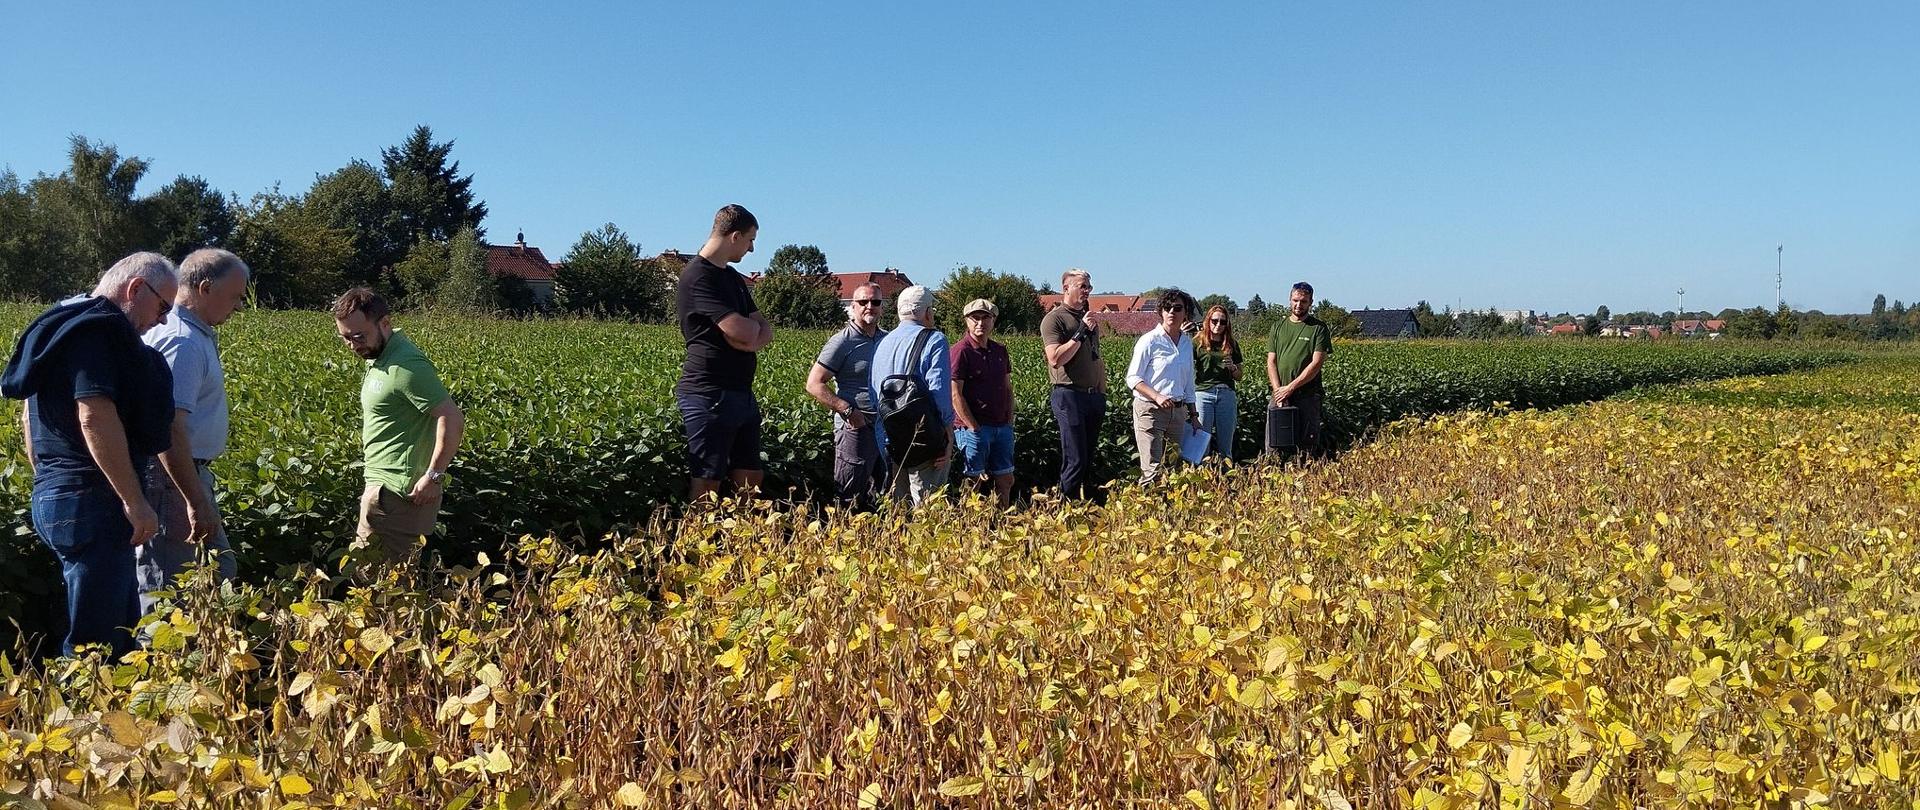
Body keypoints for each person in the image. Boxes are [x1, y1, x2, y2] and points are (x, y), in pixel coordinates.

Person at [3, 252, 178, 657]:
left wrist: (49, 476)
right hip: (92, 498)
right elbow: (94, 415)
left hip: (59, 491)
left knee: (115, 628)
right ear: (136, 289)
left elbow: (29, 415)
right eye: (163, 307)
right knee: (97, 644)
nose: (163, 320)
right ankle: (87, 699)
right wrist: (134, 502)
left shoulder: (60, 327)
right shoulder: (98, 333)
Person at [137, 249, 248, 610]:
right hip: (171, 479)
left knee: (219, 574)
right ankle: (157, 646)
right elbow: (169, 428)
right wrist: (195, 501)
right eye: (234, 296)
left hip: (184, 477)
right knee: (170, 590)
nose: (239, 307)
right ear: (205, 288)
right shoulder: (182, 341)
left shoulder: (189, 334)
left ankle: (205, 644)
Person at [332, 288, 465, 565]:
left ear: (385, 323)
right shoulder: (381, 356)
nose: (353, 345)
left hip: (398, 497)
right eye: (345, 338)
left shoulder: (406, 365)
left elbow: (451, 416)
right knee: (370, 579)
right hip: (383, 490)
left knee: (385, 583)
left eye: (359, 336)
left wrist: (434, 476)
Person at [676, 204, 771, 501]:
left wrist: (748, 338)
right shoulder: (698, 277)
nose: (751, 248)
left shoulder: (732, 278)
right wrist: (749, 334)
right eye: (750, 240)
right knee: (707, 484)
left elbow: (764, 330)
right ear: (734, 236)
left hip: (741, 393)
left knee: (751, 479)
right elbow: (745, 330)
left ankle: (742, 531)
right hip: (709, 394)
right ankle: (698, 532)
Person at [806, 283, 888, 510]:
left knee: (883, 493)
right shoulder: (842, 341)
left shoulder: (887, 340)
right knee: (848, 494)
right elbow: (814, 384)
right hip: (855, 429)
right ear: (853, 307)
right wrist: (848, 411)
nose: (869, 306)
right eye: (863, 302)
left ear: (882, 307)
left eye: (875, 302)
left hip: (884, 427)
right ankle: (843, 529)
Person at [869, 285, 952, 506]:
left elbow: (874, 393)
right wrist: (946, 437)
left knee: (898, 508)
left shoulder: (882, 343)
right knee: (928, 509)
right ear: (928, 312)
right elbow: (939, 393)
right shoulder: (935, 339)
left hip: (889, 438)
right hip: (924, 439)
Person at [1040, 268, 1107, 500]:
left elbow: (1096, 358)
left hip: (1092, 397)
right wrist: (1080, 332)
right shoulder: (1054, 319)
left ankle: (1085, 506)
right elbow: (1055, 359)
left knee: (1087, 458)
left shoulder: (1088, 319)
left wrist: (1101, 393)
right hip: (1069, 395)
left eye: (1089, 287)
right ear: (1066, 288)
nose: (1087, 291)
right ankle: (1064, 505)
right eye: (1082, 286)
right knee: (1075, 458)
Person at [1124, 288, 1202, 484]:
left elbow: (1188, 383)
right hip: (1150, 410)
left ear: (1186, 313)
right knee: (1152, 469)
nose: (1172, 312)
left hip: (1178, 412)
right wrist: (1157, 396)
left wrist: (1193, 415)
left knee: (1172, 468)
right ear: (1161, 311)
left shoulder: (1186, 343)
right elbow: (1133, 378)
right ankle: (1147, 502)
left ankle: (1166, 504)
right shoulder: (1149, 341)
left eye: (1177, 308)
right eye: (1167, 308)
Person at [949, 298, 1015, 507]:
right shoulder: (961, 351)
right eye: (975, 318)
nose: (980, 323)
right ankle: (969, 522)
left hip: (1001, 426)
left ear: (993, 321)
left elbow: (1007, 387)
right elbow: (955, 394)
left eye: (985, 318)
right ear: (966, 321)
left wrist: (1009, 420)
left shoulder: (999, 350)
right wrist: (973, 427)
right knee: (972, 481)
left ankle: (1003, 518)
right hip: (973, 428)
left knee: (1005, 478)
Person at [1266, 281, 1333, 454]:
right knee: (1274, 444)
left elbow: (1316, 363)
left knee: (1306, 447)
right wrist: (1279, 392)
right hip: (1279, 395)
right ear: (1290, 299)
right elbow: (1271, 361)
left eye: (1303, 301)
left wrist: (1290, 388)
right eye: (1295, 300)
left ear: (1311, 303)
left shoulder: (1318, 328)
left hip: (1307, 395)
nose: (1298, 305)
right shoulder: (1278, 327)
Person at [1192, 304, 1244, 461]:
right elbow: (1186, 367)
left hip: (1226, 393)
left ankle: (1226, 473)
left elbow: (1239, 376)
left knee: (1226, 444)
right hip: (1203, 393)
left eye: (1223, 322)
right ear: (1208, 321)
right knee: (1201, 443)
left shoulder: (1231, 344)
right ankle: (1202, 473)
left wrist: (1233, 368)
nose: (1218, 325)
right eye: (1215, 321)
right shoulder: (1197, 342)